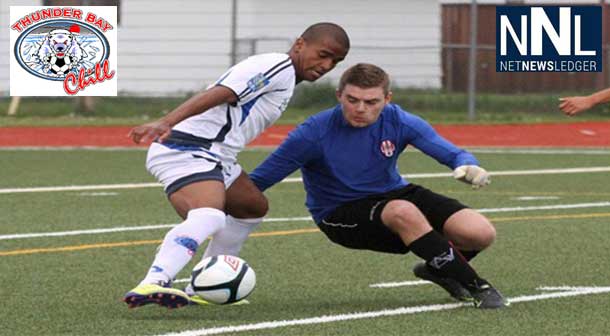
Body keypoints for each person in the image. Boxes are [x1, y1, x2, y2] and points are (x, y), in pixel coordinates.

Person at [123, 22, 350, 309]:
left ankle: (201, 286)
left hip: (216, 155)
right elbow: (224, 92)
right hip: (186, 146)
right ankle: (155, 280)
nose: (327, 65)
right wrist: (167, 122)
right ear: (300, 44)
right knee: (209, 215)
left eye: (335, 61)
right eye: (324, 54)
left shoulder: (287, 77)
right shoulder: (277, 66)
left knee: (251, 207)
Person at [248, 63, 508, 309]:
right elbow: (260, 179)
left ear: (387, 99)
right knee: (402, 211)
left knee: (479, 233)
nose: (360, 108)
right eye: (352, 100)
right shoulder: (312, 133)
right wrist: (215, 203)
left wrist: (468, 165)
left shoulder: (399, 121)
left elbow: (451, 153)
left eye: (371, 102)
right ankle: (478, 288)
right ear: (339, 95)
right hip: (339, 212)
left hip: (394, 194)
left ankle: (438, 270)